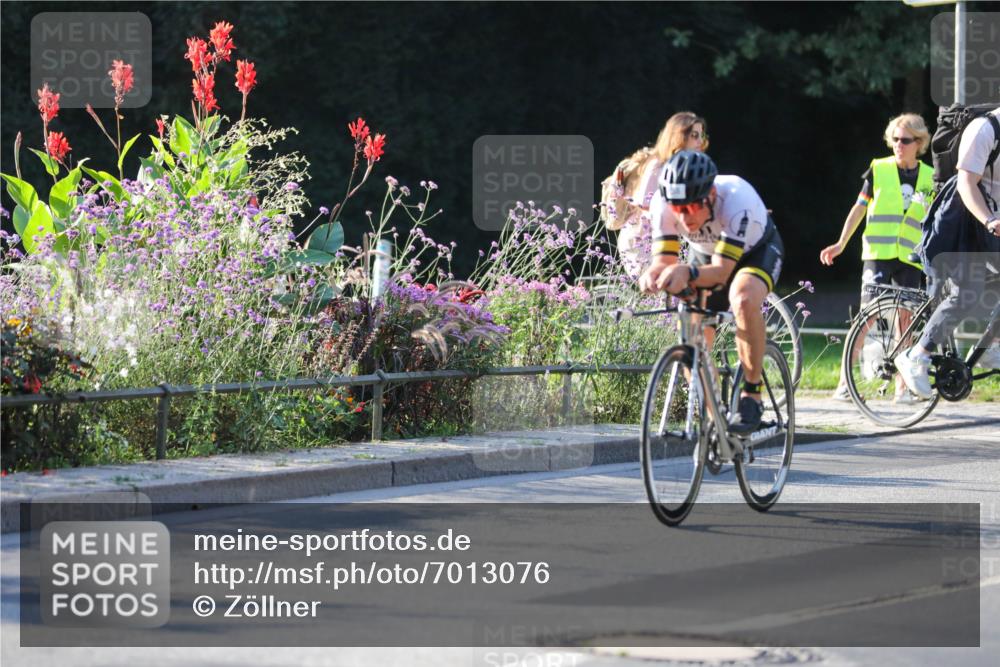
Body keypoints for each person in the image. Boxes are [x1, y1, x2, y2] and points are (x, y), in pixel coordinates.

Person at [639, 151, 784, 434]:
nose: (685, 216)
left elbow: (721, 272)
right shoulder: (662, 205)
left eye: (692, 206)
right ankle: (715, 417)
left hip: (755, 251)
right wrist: (653, 274)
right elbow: (665, 262)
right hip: (705, 254)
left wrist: (686, 273)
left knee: (742, 298)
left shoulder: (736, 199)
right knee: (692, 337)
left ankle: (751, 394)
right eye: (678, 209)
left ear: (711, 194)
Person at [819, 113, 935, 401]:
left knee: (905, 320)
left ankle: (902, 387)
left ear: (919, 143)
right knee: (866, 316)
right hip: (878, 253)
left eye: (905, 140)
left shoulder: (930, 177)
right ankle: (845, 382)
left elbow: (934, 220)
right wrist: (841, 243)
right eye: (894, 139)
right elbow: (859, 208)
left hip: (908, 256)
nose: (898, 144)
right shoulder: (878, 170)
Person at [895, 106, 1000, 398]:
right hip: (965, 220)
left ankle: (992, 344)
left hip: (992, 223)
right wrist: (989, 220)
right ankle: (917, 353)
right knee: (968, 291)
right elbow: (967, 184)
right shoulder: (984, 129)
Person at [610, 112, 709, 277]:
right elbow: (645, 205)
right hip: (643, 242)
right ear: (679, 136)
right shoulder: (658, 164)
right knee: (664, 290)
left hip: (669, 240)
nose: (700, 141)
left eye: (702, 135)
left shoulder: (686, 166)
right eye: (694, 135)